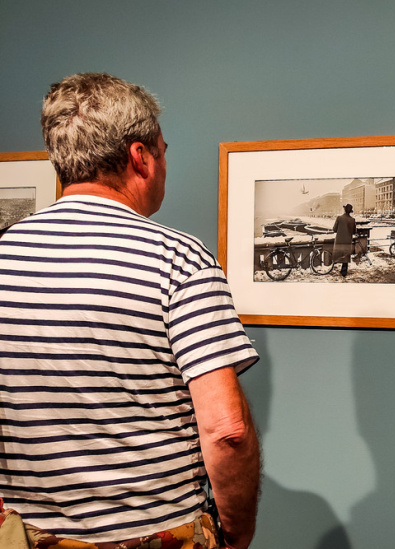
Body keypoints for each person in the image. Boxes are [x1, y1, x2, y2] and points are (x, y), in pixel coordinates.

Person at [0, 73, 260, 549]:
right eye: (163, 151)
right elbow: (227, 430)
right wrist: (236, 535)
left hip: (27, 536)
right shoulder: (178, 258)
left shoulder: (5, 254)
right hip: (158, 535)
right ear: (140, 157)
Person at [332, 204, 356, 277]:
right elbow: (354, 231)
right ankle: (344, 272)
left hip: (339, 241)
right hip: (347, 241)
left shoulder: (339, 218)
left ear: (344, 210)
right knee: (346, 256)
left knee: (337, 255)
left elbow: (334, 229)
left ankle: (332, 267)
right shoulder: (352, 220)